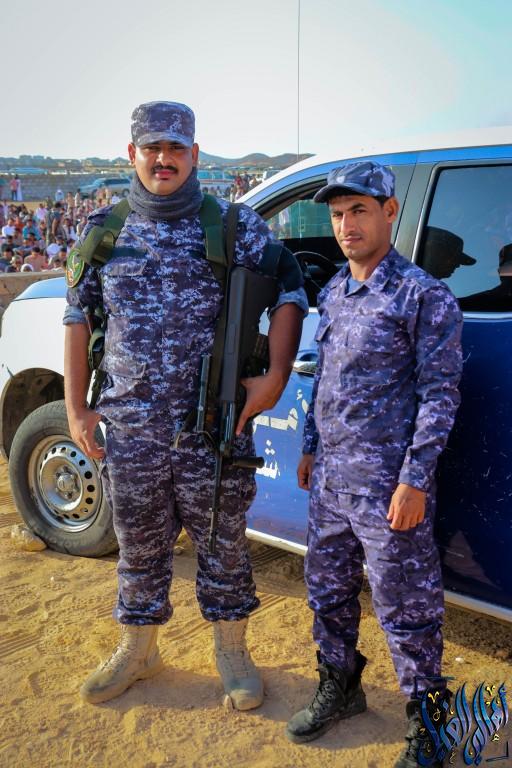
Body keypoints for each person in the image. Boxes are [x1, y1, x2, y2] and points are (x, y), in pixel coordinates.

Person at [63, 101, 307, 710]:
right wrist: (75, 409)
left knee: (223, 544)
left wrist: (276, 377)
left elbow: (291, 288)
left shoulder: (234, 225)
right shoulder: (104, 230)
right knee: (138, 544)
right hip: (130, 429)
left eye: (176, 148)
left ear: (195, 155)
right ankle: (139, 650)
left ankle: (232, 652)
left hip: (212, 428)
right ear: (133, 154)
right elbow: (78, 316)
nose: (164, 159)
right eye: (153, 148)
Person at [285, 161, 463, 768]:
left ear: (390, 212)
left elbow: (440, 395)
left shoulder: (422, 295)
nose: (346, 225)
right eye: (337, 215)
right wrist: (311, 445)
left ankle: (431, 723)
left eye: (358, 210)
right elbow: (327, 379)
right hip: (332, 482)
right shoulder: (335, 290)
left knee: (406, 609)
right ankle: (341, 685)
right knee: (327, 592)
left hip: (389, 488)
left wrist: (415, 480)